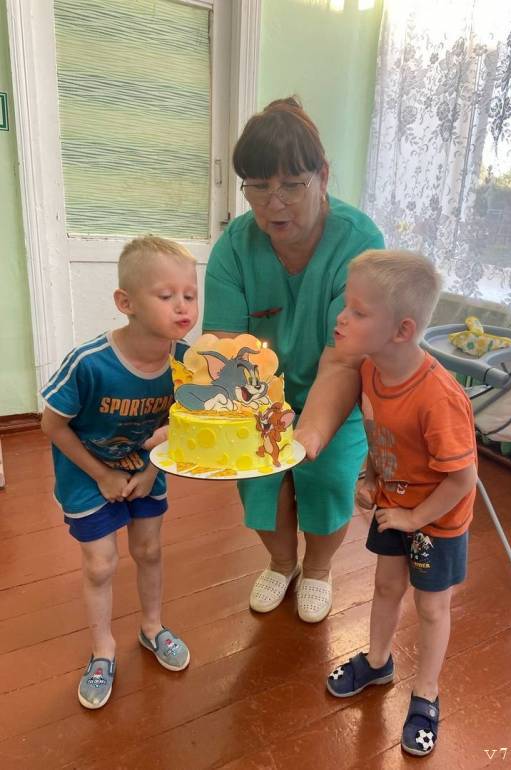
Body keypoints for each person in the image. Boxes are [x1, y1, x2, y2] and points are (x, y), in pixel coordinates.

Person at [202, 96, 385, 623]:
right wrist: (233, 418)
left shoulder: (359, 242)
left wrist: (310, 434)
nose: (273, 203)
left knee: (325, 477)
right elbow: (223, 345)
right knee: (258, 478)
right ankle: (282, 563)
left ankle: (319, 569)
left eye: (290, 185)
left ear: (322, 176)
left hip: (335, 389)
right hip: (257, 395)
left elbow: (344, 360)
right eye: (257, 186)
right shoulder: (235, 247)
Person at [323, 250, 477, 757]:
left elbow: (462, 479)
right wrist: (371, 476)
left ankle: (426, 694)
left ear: (402, 330)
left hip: (437, 519)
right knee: (386, 586)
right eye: (346, 306)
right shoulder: (370, 371)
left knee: (432, 607)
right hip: (395, 504)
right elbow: (381, 433)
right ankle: (377, 662)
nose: (342, 318)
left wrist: (414, 518)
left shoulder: (438, 397)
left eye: (358, 311)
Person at [40, 236, 197, 709]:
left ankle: (152, 627)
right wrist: (102, 475)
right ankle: (103, 649)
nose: (182, 306)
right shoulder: (90, 363)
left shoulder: (188, 363)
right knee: (101, 564)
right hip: (86, 475)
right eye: (166, 295)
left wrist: (149, 470)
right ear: (125, 303)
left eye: (190, 294)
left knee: (149, 550)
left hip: (146, 470)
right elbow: (51, 425)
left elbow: (186, 423)